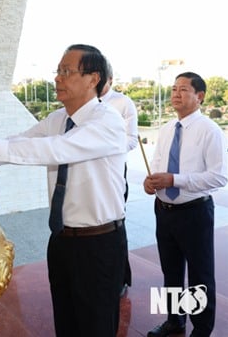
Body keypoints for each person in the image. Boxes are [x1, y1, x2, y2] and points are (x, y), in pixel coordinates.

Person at [0, 44, 128, 336]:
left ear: (93, 79)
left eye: (67, 72)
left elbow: (55, 149)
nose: (58, 79)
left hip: (99, 244)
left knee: (96, 327)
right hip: (61, 240)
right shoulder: (58, 120)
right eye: (58, 72)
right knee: (67, 323)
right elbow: (16, 145)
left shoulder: (107, 121)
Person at [143, 72, 227, 337]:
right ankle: (174, 320)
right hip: (164, 211)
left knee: (200, 276)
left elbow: (219, 176)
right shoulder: (167, 128)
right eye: (173, 89)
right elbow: (158, 165)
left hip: (194, 212)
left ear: (199, 96)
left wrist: (174, 179)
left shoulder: (209, 130)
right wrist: (152, 182)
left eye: (183, 89)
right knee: (171, 271)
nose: (176, 94)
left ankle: (201, 330)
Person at [101, 60, 139, 296]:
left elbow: (132, 139)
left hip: (114, 170)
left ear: (110, 80)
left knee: (115, 223)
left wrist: (102, 149)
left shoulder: (123, 103)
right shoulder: (84, 103)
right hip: (87, 172)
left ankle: (121, 278)